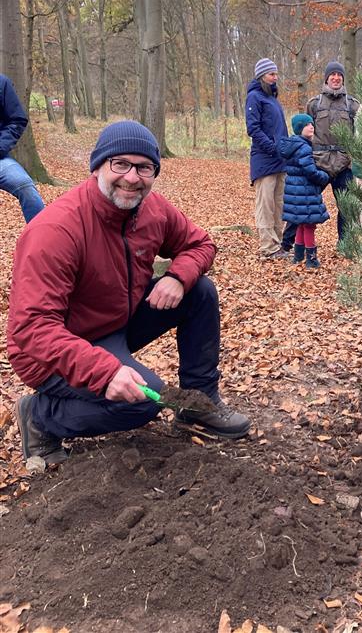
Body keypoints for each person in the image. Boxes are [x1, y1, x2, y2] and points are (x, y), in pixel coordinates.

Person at [8, 120, 251, 466]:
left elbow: (200, 243)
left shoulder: (152, 210)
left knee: (200, 291)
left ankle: (197, 404)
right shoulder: (56, 230)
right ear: (97, 167)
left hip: (115, 322)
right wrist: (104, 372)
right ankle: (40, 417)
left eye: (144, 167)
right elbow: (32, 329)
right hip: (51, 351)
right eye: (119, 164)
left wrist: (179, 278)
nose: (132, 177)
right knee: (141, 403)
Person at [305, 61, 360, 245]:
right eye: (332, 75)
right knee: (305, 202)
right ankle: (294, 243)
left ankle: (344, 243)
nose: (336, 78)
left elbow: (359, 134)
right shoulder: (314, 104)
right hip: (319, 163)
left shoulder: (353, 105)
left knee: (347, 207)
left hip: (344, 164)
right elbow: (305, 134)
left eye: (339, 75)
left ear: (343, 79)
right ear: (327, 78)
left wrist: (354, 159)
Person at [245, 58, 290, 260]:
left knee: (278, 203)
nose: (275, 77)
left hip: (280, 160)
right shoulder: (254, 97)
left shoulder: (272, 99)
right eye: (272, 74)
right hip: (264, 160)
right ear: (262, 75)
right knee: (265, 204)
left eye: (276, 74)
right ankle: (268, 246)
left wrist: (286, 149)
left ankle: (277, 244)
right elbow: (253, 129)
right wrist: (272, 148)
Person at [278, 114, 329, 270]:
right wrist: (324, 176)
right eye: (307, 125)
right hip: (304, 192)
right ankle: (311, 259)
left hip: (296, 191)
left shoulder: (294, 145)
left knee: (301, 224)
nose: (311, 126)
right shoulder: (304, 147)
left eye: (312, 124)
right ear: (300, 128)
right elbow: (310, 171)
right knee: (309, 226)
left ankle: (298, 256)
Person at [0, 73, 45, 223]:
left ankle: (43, 240)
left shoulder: (2, 83)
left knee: (25, 186)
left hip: (1, 160)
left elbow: (17, 119)